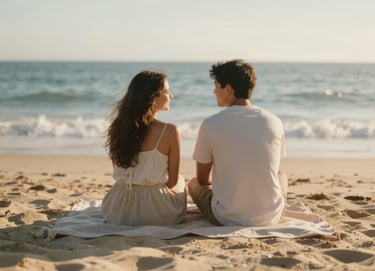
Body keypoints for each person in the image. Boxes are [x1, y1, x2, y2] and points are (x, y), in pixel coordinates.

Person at [188, 59, 288, 227]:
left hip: (225, 217)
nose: (214, 91)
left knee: (193, 183)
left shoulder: (211, 124)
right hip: (271, 216)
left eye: (216, 85)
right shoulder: (274, 121)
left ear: (228, 89)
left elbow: (204, 180)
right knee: (281, 175)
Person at [102, 70, 186, 226]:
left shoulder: (117, 127)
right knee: (181, 181)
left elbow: (119, 171)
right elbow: (172, 182)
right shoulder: (170, 131)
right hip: (156, 214)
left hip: (117, 210)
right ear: (153, 97)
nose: (171, 96)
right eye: (167, 91)